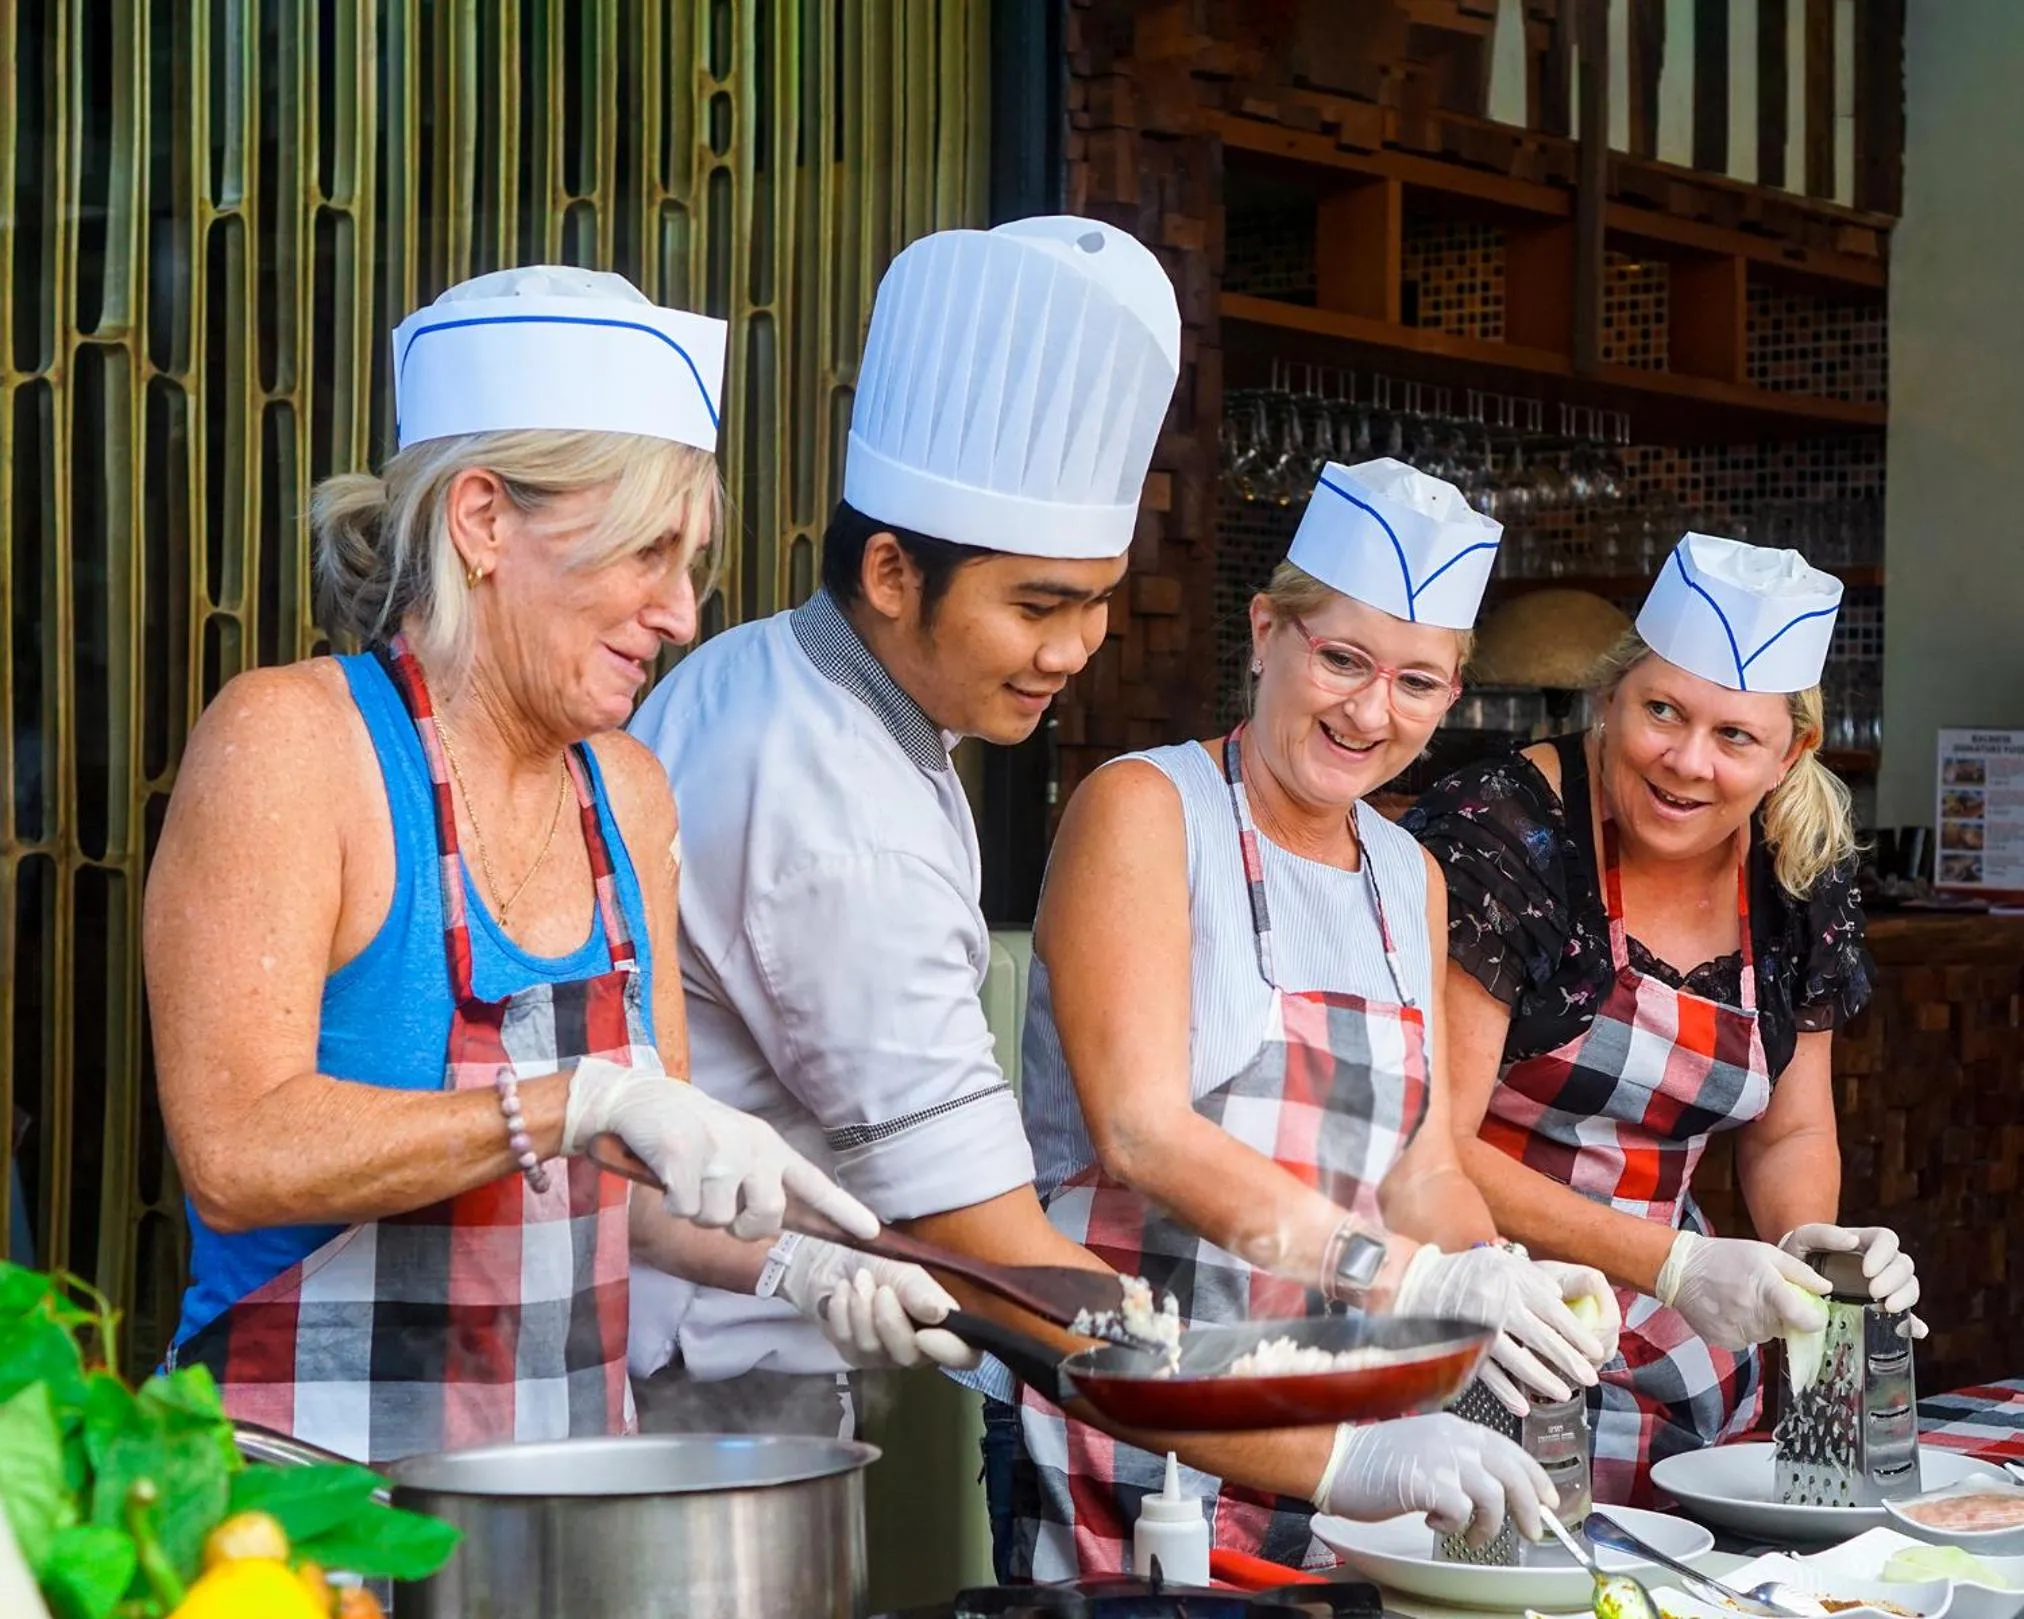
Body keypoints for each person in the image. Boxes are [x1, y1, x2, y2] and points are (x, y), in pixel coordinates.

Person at [630, 222, 1558, 1563]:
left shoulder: (823, 699)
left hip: (782, 1363)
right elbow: (1004, 1236)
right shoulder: (841, 808)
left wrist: (1484, 1288)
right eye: (1036, 604)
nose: (1072, 649)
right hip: (711, 1391)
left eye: (1095, 602)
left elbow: (1416, 1167)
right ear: (891, 572)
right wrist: (1343, 1445)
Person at [147, 266, 952, 1463]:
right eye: (647, 552)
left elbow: (634, 1193)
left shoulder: (624, 791)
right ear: (482, 520)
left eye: (690, 564)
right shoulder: (294, 743)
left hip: (553, 1499)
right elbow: (237, 1154)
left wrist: (801, 1263)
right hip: (290, 1497)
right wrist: (573, 1102)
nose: (680, 613)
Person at [1010, 457, 1619, 1577]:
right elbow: (1140, 1132)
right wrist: (1414, 1280)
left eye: (1417, 682)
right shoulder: (1144, 808)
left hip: (1350, 1426)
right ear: (1265, 632)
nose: (1369, 711)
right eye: (1341, 659)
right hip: (1140, 1411)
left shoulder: (1406, 874)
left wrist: (1499, 1278)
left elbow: (1420, 1167)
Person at [1407, 532, 1924, 1506]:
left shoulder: (1797, 865)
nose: (1687, 762)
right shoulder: (1501, 831)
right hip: (1482, 1315)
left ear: (1790, 752)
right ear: (1608, 696)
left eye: (1734, 737)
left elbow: (1791, 1130)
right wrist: (1677, 1262)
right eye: (1661, 711)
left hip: (1683, 1355)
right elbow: (1428, 1142)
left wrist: (1809, 1249)